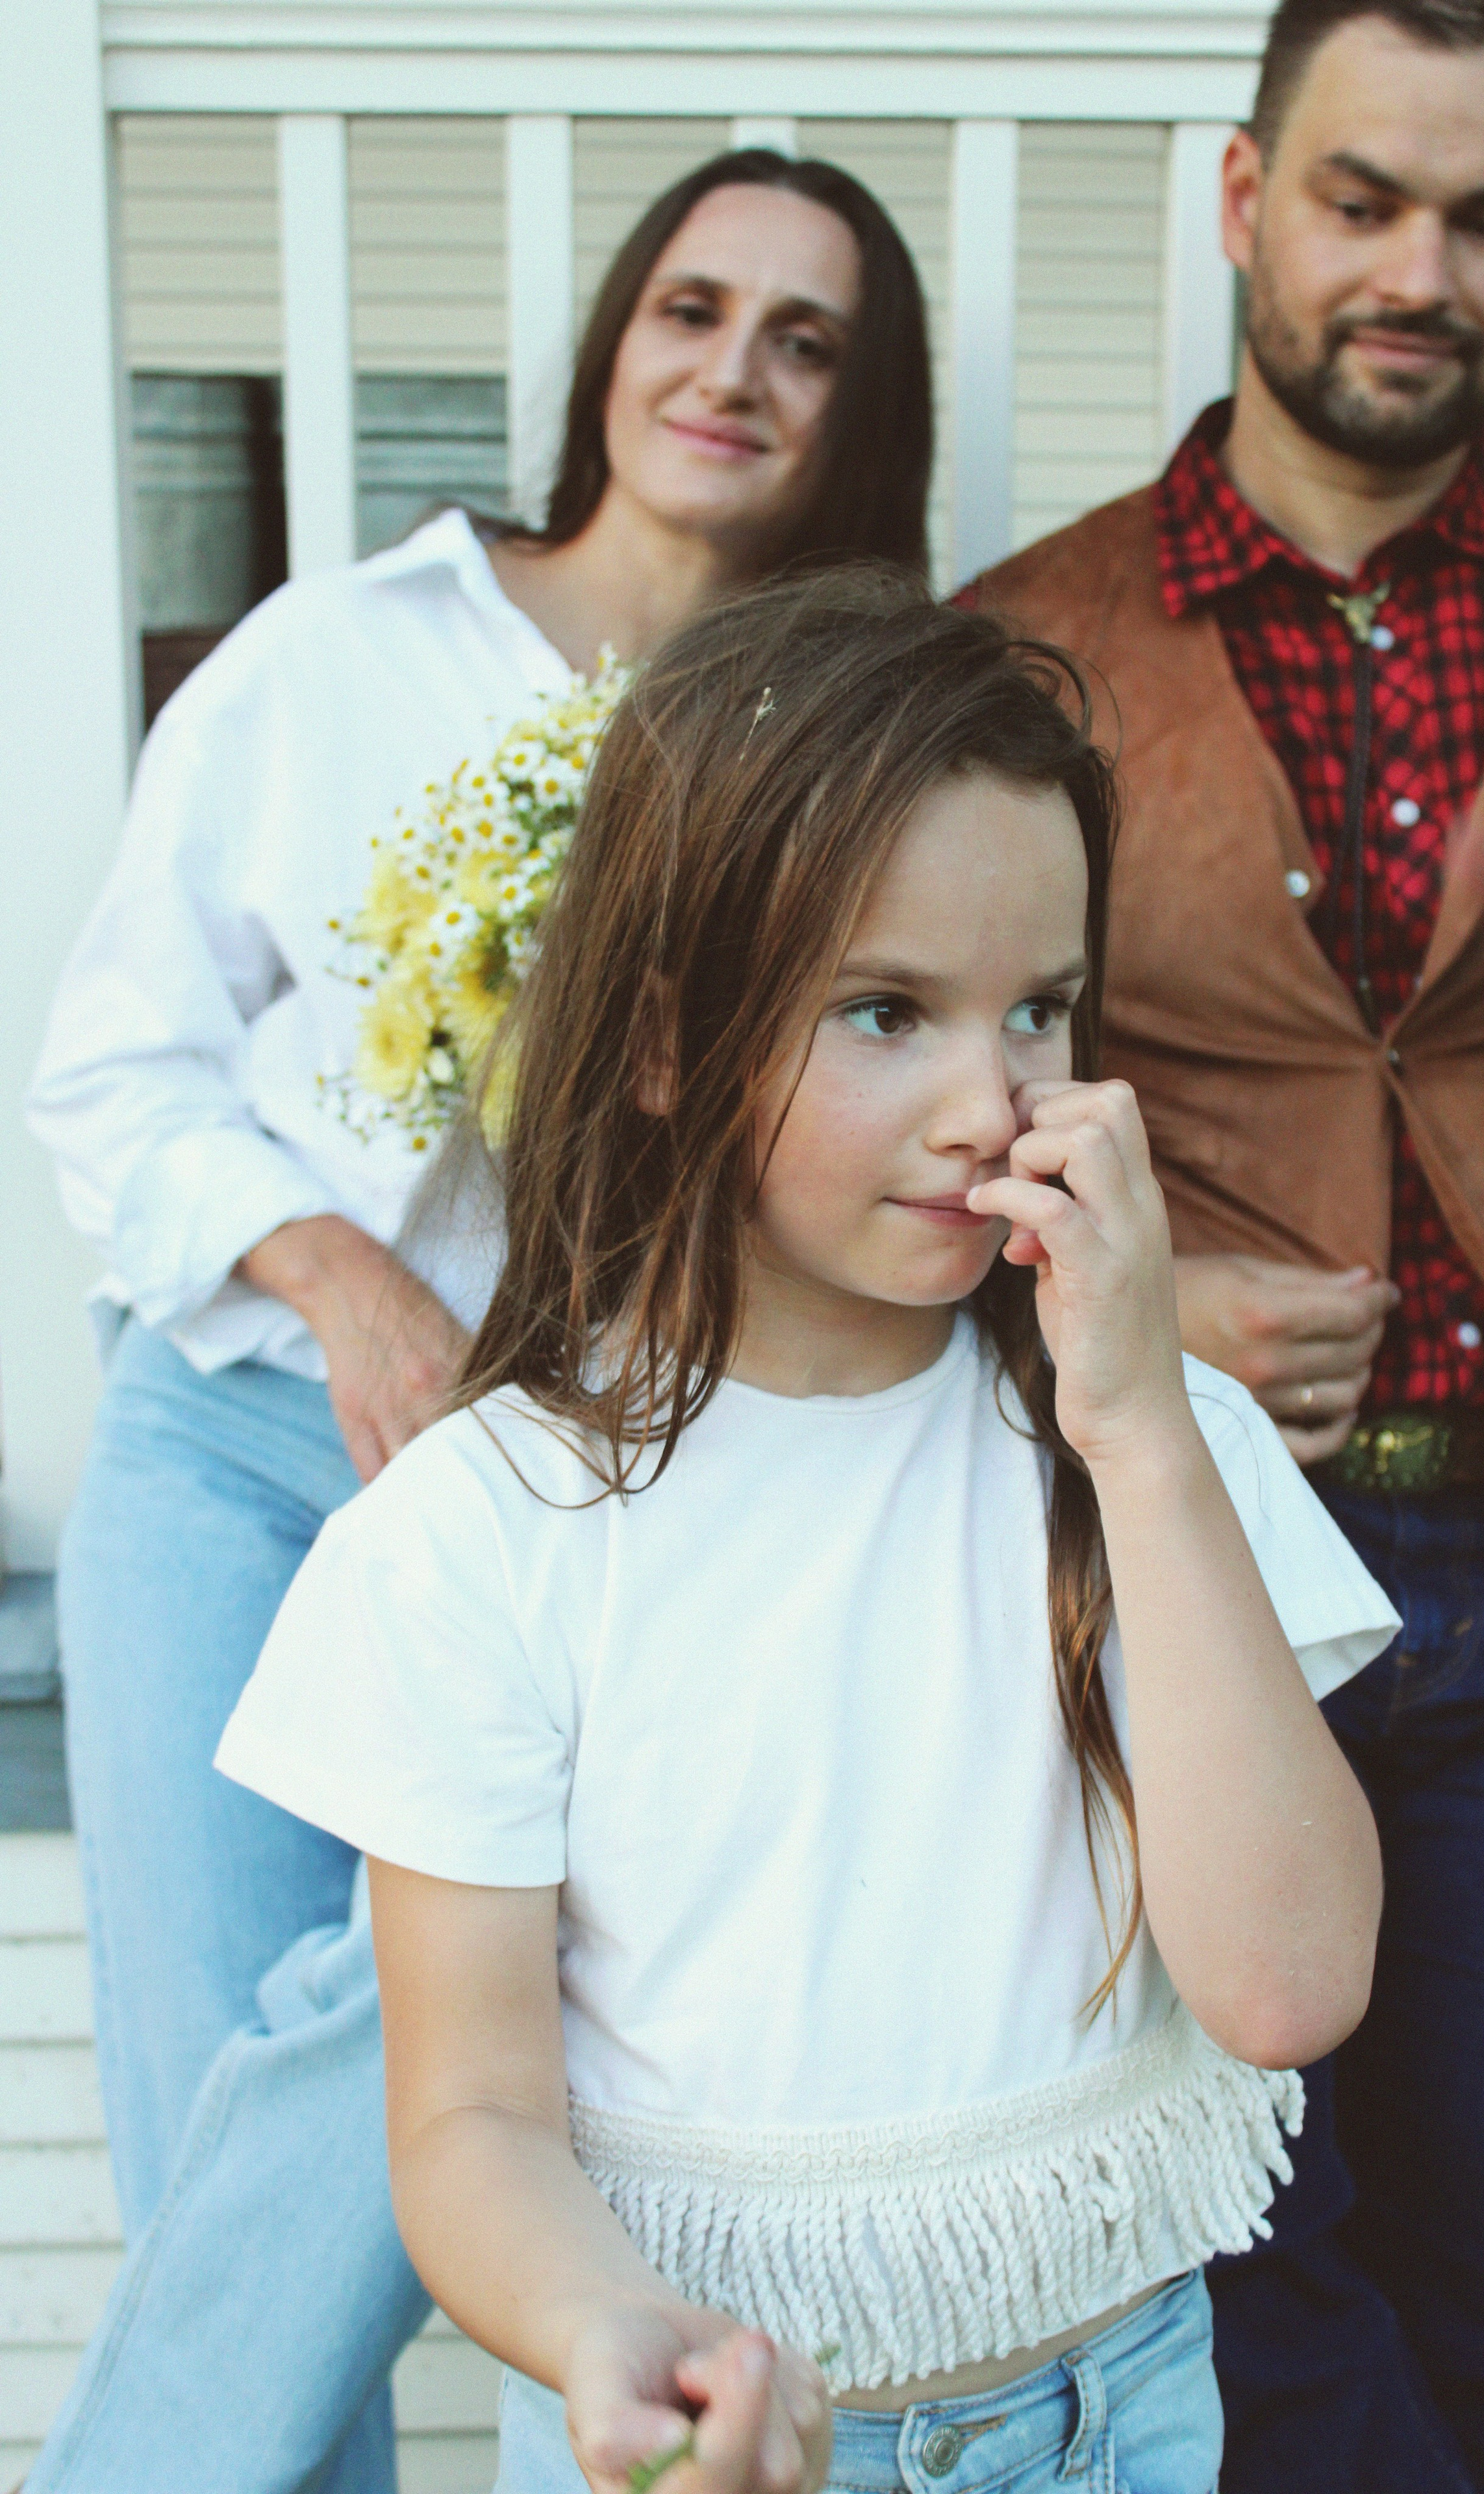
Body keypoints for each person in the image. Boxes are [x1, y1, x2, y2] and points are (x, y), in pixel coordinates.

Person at [214, 568, 1394, 2494]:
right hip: (719, 2448)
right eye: (883, 1012)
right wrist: (610, 2332)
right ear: (673, 1043)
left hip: (1121, 2417)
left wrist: (1143, 1436)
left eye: (1039, 1008)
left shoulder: (1158, 1455)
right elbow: (474, 2115)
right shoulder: (487, 1532)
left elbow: (1285, 1994)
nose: (986, 1099)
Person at [25, 151, 933, 2494]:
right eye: (693, 307)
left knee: (458, 2109)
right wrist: (334, 1273)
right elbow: (109, 1062)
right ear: (614, 342)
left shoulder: (830, 757)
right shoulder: (342, 657)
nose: (731, 369)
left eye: (804, 340)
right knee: (228, 2130)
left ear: (865, 415)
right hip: (239, 1460)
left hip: (583, 1493)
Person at [964, 0, 1484, 2486]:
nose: (1420, 270)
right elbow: (902, 1127)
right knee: (1215, 2275)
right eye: (1364, 200)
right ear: (1247, 200)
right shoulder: (1018, 639)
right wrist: (1122, 1325)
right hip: (1182, 1574)